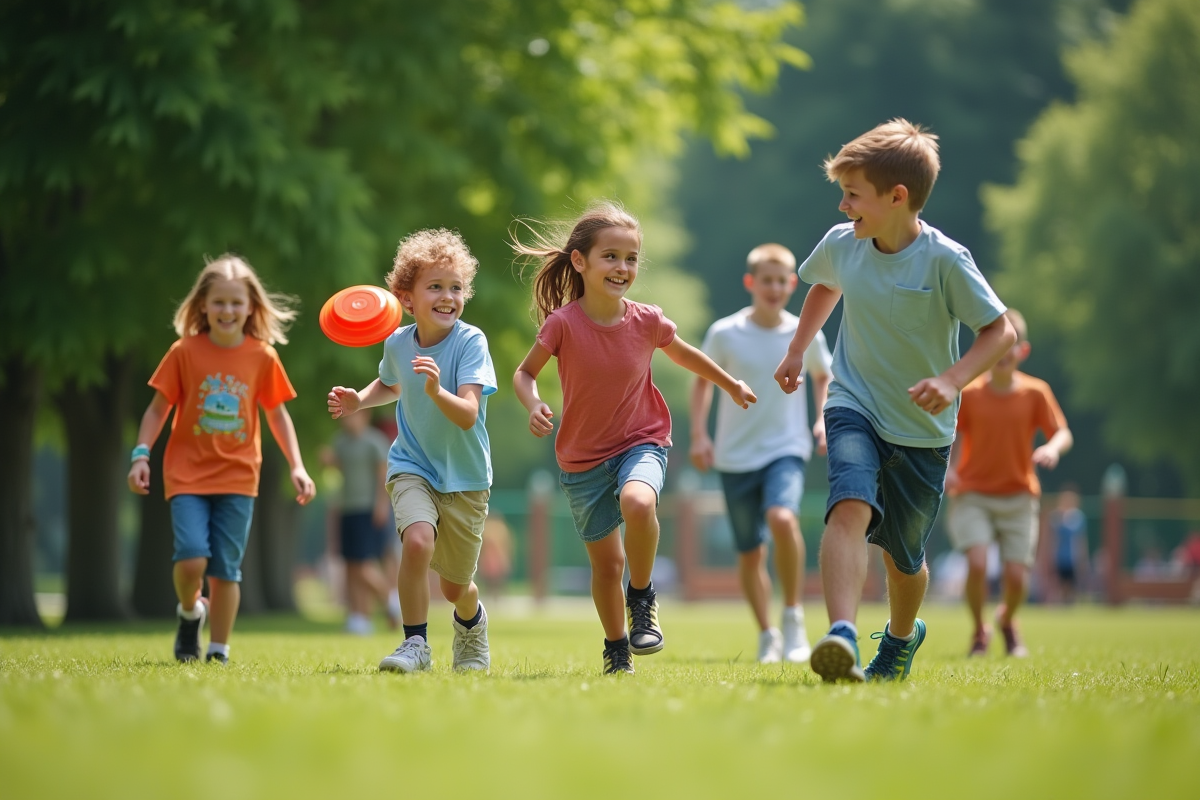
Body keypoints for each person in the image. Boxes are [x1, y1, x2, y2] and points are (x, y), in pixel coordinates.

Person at [773, 119, 1016, 683]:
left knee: (904, 558)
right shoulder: (844, 243)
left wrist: (952, 381)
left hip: (922, 429)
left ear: (897, 197)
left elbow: (999, 331)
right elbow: (825, 284)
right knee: (848, 506)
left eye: (853, 195)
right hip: (853, 402)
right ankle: (841, 634)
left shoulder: (945, 259)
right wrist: (797, 349)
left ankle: (901, 638)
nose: (842, 206)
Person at [512, 201, 757, 675]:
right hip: (582, 460)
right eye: (611, 256)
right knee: (606, 566)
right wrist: (534, 403)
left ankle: (641, 597)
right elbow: (524, 374)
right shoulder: (563, 324)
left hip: (641, 440)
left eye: (631, 258)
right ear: (580, 261)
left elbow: (685, 355)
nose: (622, 267)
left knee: (639, 502)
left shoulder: (646, 320)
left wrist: (730, 384)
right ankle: (616, 648)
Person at [127, 255, 317, 664]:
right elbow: (157, 410)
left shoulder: (263, 356)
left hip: (238, 476)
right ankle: (189, 612)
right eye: (218, 302)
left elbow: (277, 416)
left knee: (225, 570)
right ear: (202, 306)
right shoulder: (183, 352)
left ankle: (218, 649)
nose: (227, 310)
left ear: (250, 307)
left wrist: (297, 466)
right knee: (191, 559)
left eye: (235, 302)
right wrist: (140, 456)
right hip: (187, 474)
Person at [328, 229, 495, 673]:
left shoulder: (471, 342)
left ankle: (472, 626)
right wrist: (359, 401)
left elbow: (467, 414)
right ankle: (415, 644)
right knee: (417, 542)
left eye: (456, 287)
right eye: (435, 286)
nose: (447, 297)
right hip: (412, 464)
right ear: (406, 298)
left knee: (455, 589)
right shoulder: (398, 343)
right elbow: (391, 383)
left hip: (466, 477)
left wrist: (437, 390)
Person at [689, 243, 833, 664]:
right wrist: (699, 435)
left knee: (783, 517)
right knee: (751, 552)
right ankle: (768, 635)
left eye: (781, 281)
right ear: (750, 282)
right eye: (765, 280)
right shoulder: (724, 332)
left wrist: (822, 419)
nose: (774, 288)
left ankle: (793, 618)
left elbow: (823, 375)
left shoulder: (804, 332)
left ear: (792, 285)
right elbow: (702, 381)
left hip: (786, 447)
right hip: (734, 456)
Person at [945, 309, 1073, 657]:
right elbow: (952, 436)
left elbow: (1062, 432)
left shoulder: (1036, 393)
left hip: (1019, 496)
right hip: (973, 494)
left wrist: (1051, 448)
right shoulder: (969, 393)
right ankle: (979, 630)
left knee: (1016, 577)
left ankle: (1007, 619)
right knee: (977, 564)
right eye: (996, 345)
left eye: (1010, 345)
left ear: (1023, 351)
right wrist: (949, 470)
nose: (1003, 353)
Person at [325, 410, 401, 635]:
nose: (347, 420)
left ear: (364, 416)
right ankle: (359, 617)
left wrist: (381, 505)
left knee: (362, 565)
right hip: (347, 508)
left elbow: (382, 475)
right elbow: (337, 471)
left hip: (368, 509)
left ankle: (389, 601)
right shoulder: (340, 442)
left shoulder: (374, 441)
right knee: (350, 564)